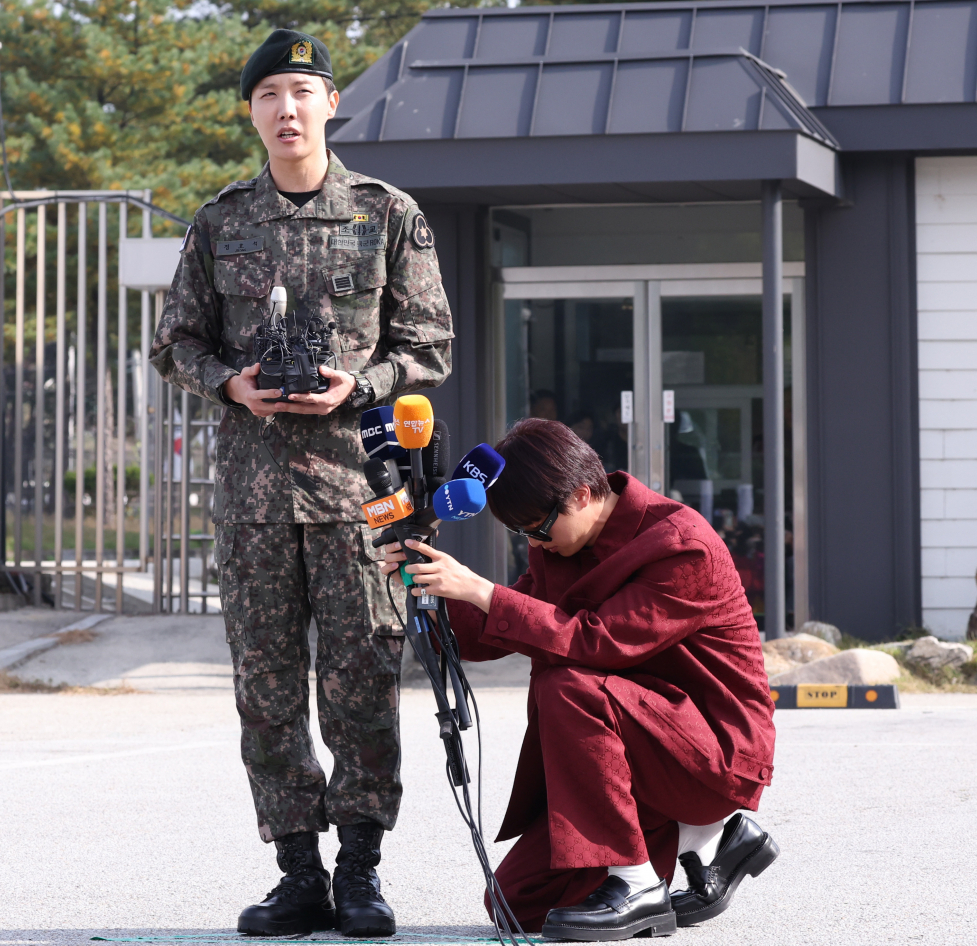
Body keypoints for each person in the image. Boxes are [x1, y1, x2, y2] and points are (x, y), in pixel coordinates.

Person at [149, 28, 454, 938]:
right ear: (251, 113)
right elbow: (175, 342)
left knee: (363, 677)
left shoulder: (386, 214)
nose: (287, 109)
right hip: (252, 498)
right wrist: (228, 383)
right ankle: (298, 873)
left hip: (361, 490)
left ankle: (360, 870)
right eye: (269, 95)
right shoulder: (221, 221)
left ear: (329, 104)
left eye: (301, 91)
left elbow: (429, 344)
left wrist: (359, 386)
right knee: (268, 687)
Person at [382, 418, 778, 940]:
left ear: (585, 493)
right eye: (522, 533)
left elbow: (598, 641)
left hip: (712, 755)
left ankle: (638, 878)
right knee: (517, 907)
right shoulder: (563, 544)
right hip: (640, 753)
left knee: (567, 684)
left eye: (539, 529)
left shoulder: (681, 545)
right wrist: (433, 596)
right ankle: (704, 835)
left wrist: (482, 589)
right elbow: (498, 633)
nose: (536, 544)